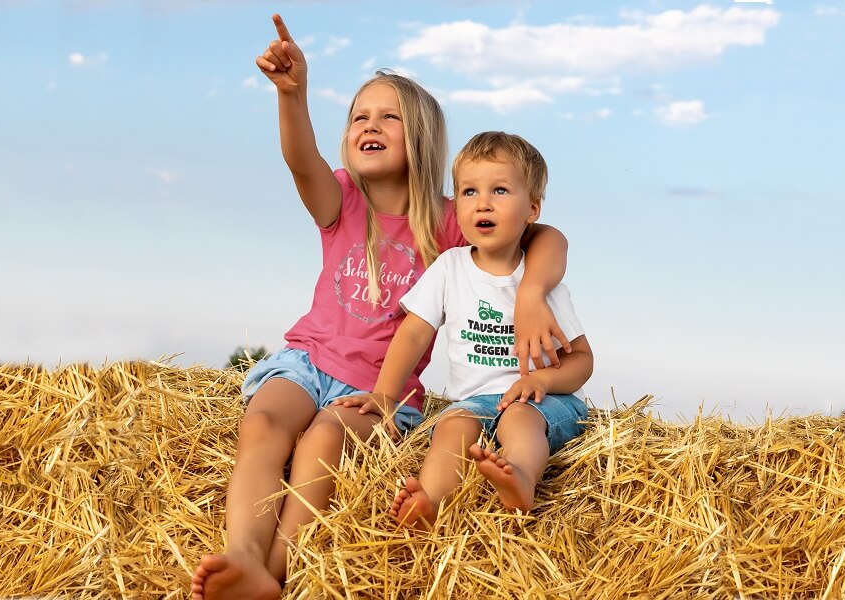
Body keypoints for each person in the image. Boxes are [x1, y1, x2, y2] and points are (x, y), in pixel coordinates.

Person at [190, 15, 575, 600]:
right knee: (263, 423)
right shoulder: (340, 198)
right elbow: (301, 162)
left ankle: (275, 572)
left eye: (387, 116)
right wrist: (293, 96)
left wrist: (527, 293)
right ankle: (243, 552)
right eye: (358, 117)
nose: (369, 125)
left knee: (325, 436)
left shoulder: (451, 221)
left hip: (378, 389)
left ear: (418, 134)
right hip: (305, 361)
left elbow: (545, 237)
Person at [335, 131, 593, 529]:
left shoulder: (541, 286)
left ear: (532, 209)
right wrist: (387, 394)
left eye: (501, 190)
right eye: (469, 192)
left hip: (543, 404)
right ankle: (431, 501)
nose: (483, 202)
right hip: (472, 401)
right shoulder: (450, 267)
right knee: (451, 429)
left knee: (518, 421)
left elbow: (582, 360)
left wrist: (543, 379)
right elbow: (414, 333)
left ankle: (521, 478)